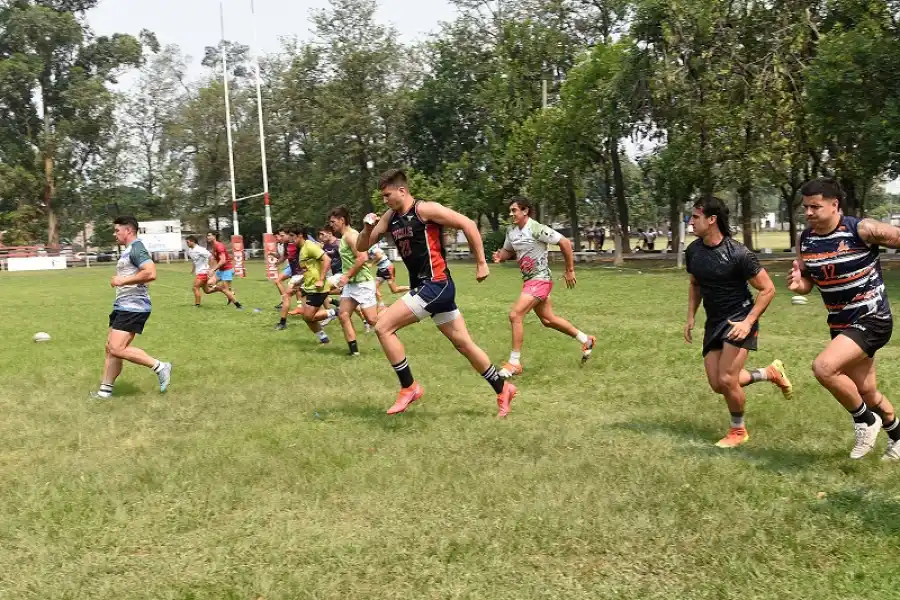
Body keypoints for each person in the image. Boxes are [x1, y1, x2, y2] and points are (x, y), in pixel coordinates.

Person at [357, 168, 517, 417]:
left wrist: (481, 262)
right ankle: (502, 388)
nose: (385, 200)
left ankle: (409, 387)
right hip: (429, 288)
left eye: (388, 195)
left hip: (435, 284)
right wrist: (367, 229)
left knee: (383, 326)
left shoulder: (424, 210)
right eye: (383, 197)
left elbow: (467, 223)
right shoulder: (391, 217)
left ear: (402, 190)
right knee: (464, 344)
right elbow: (362, 245)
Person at [789, 177, 900, 460]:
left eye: (815, 206)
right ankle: (897, 435)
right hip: (840, 325)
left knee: (824, 367)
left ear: (834, 204)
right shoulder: (807, 240)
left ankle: (865, 421)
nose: (809, 213)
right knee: (867, 391)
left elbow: (895, 235)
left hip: (872, 318)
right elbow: (807, 283)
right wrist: (798, 283)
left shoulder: (860, 230)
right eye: (806, 207)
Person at [685, 196, 793, 448]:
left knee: (727, 379)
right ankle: (770, 373)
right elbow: (694, 284)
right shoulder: (693, 251)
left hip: (740, 320)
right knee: (717, 383)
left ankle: (738, 431)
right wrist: (690, 316)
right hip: (714, 322)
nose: (691, 222)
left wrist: (748, 322)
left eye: (695, 217)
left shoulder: (739, 253)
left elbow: (767, 289)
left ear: (712, 220)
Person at [492, 196, 596, 379]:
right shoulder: (511, 231)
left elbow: (564, 242)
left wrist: (570, 270)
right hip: (529, 280)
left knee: (515, 315)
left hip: (540, 280)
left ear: (525, 211)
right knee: (548, 320)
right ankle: (586, 340)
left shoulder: (537, 229)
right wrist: (501, 256)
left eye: (514, 210)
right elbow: (509, 251)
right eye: (510, 210)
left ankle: (514, 363)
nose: (511, 213)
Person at [90, 216, 171, 399]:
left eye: (117, 230)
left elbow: (150, 272)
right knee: (110, 348)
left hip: (134, 307)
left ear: (128, 231)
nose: (115, 234)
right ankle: (105, 391)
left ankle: (160, 366)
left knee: (117, 348)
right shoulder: (128, 250)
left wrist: (122, 280)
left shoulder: (137, 248)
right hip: (123, 305)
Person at [326, 206, 380, 356]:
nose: (331, 225)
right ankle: (354, 352)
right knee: (343, 315)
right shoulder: (344, 237)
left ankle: (392, 325)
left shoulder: (351, 235)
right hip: (352, 285)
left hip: (362, 283)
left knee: (372, 319)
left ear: (342, 220)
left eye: (333, 221)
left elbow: (362, 257)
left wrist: (347, 276)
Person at [274, 224, 337, 342]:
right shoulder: (301, 249)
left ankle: (336, 311)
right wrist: (301, 281)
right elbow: (309, 269)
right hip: (309, 286)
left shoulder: (309, 246)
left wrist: (321, 279)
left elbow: (327, 259)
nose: (291, 239)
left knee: (308, 316)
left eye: (293, 236)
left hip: (318, 288)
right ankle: (323, 339)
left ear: (300, 235)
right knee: (307, 318)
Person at [205, 232, 243, 310]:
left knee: (224, 289)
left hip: (227, 270)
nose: (207, 237)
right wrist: (210, 268)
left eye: (209, 235)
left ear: (214, 236)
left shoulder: (219, 246)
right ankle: (230, 293)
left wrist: (213, 269)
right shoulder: (213, 246)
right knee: (210, 283)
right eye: (207, 236)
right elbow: (215, 258)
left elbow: (223, 261)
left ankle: (239, 306)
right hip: (221, 270)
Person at [369, 242, 409, 308]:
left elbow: (379, 256)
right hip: (381, 269)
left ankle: (411, 288)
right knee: (374, 287)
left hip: (388, 269)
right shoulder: (368, 248)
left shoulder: (372, 248)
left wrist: (372, 264)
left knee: (394, 290)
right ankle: (381, 305)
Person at [185, 235, 214, 306]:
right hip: (199, 272)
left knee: (195, 287)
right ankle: (223, 289)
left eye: (188, 242)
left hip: (204, 272)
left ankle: (197, 305)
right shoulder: (190, 250)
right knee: (207, 291)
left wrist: (210, 269)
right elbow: (195, 261)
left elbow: (210, 257)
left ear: (193, 241)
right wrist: (193, 270)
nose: (187, 244)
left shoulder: (200, 249)